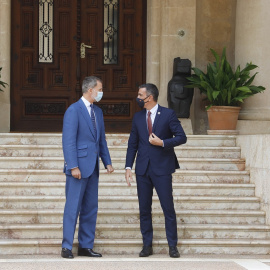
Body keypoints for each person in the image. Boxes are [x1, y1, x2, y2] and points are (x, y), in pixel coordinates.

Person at [125, 83, 187, 258]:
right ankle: (147, 245)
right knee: (144, 209)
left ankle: (172, 246)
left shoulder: (168, 114)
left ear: (149, 97)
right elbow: (133, 144)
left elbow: (182, 137)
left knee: (168, 208)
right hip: (143, 170)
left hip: (162, 168)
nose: (137, 98)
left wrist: (163, 143)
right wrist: (128, 166)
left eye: (140, 95)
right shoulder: (138, 117)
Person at [61, 76, 114, 259]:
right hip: (78, 168)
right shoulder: (73, 110)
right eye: (100, 89)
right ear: (90, 90)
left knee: (91, 208)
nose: (101, 92)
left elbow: (101, 140)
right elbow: (68, 141)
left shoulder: (97, 112)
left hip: (93, 168)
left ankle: (85, 245)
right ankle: (67, 246)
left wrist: (107, 161)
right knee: (73, 207)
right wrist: (73, 165)